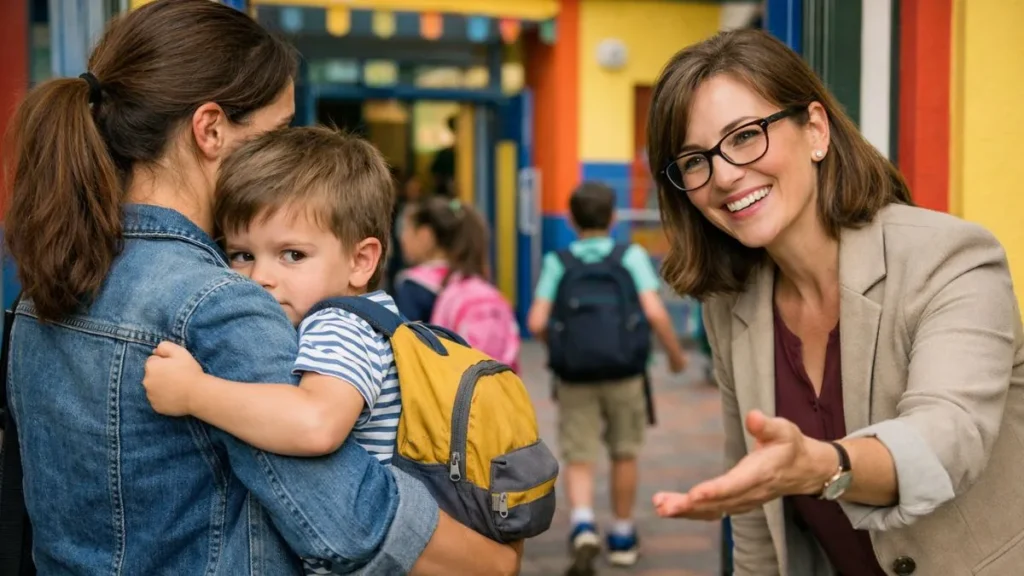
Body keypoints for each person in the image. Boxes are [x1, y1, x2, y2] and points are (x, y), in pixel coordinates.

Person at [1, 1, 519, 574]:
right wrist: (494, 563)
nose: (286, 151)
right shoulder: (217, 304)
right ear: (211, 129)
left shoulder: (44, 290)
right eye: (276, 131)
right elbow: (347, 518)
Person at [647, 29, 1024, 576]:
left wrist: (824, 465)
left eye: (746, 136)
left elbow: (950, 436)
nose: (725, 174)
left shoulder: (949, 256)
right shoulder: (730, 306)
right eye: (694, 160)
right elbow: (757, 520)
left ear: (816, 130)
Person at [139, 126, 416, 574]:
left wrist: (193, 392)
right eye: (242, 255)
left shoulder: (340, 322)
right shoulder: (349, 318)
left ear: (361, 260)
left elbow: (315, 423)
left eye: (292, 255)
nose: (261, 276)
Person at [526, 181, 688, 575]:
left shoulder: (558, 261)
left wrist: (559, 346)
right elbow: (654, 313)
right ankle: (621, 535)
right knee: (623, 451)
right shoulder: (629, 256)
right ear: (614, 218)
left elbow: (536, 321)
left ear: (570, 219)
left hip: (575, 375)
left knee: (579, 454)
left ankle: (582, 524)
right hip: (625, 372)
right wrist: (675, 356)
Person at [395, 197, 520, 370]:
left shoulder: (413, 285)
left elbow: (407, 349)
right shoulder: (472, 280)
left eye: (406, 230)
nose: (402, 238)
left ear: (425, 235)